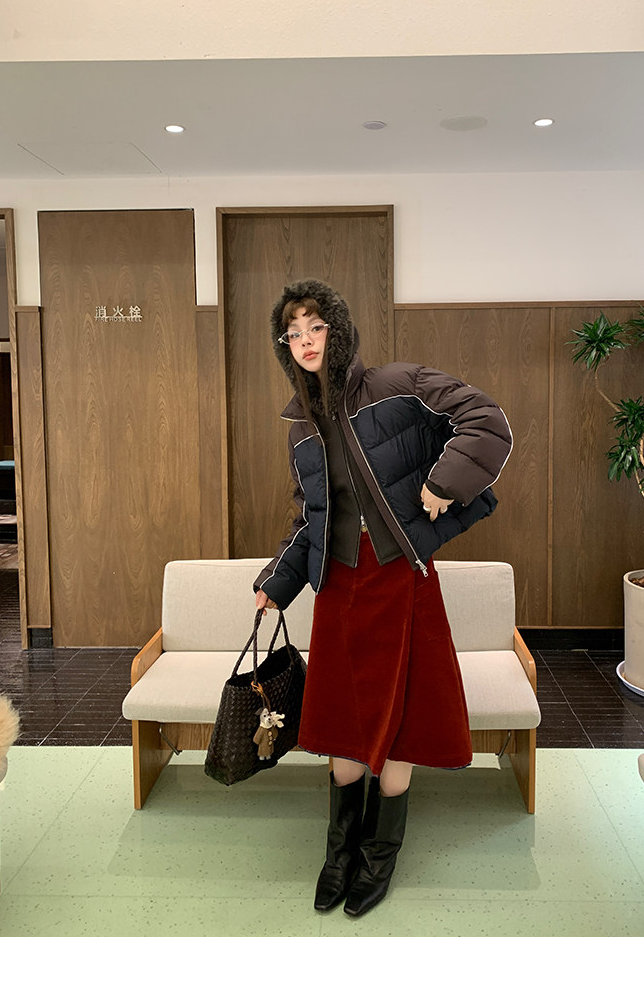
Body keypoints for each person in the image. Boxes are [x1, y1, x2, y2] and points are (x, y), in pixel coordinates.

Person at [253, 279, 512, 918]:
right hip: (339, 586)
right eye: (293, 333)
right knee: (342, 718)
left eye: (316, 327)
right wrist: (277, 582)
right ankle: (339, 849)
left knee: (403, 716)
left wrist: (445, 483)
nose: (305, 341)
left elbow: (487, 420)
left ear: (338, 331)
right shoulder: (299, 427)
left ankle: (380, 851)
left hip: (401, 576)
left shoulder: (398, 383)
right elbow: (311, 518)